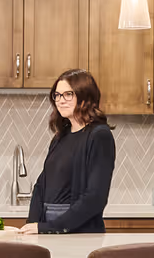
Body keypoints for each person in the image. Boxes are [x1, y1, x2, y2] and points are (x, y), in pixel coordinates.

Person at [22, 68, 116, 236]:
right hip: (49, 229)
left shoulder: (100, 136)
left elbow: (95, 198)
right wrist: (33, 225)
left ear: (85, 96)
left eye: (68, 94)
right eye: (57, 95)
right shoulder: (60, 136)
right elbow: (41, 185)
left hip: (80, 233)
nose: (60, 101)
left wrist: (50, 227)